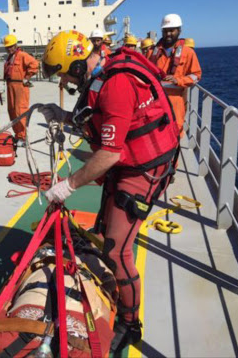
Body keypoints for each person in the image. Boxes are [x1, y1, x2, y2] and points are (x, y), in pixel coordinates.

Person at [39, 30, 180, 351]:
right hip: (125, 162)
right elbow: (98, 122)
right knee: (104, 231)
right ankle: (117, 290)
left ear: (77, 67)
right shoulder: (103, 75)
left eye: (65, 74)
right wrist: (61, 116)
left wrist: (67, 185)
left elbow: (109, 154)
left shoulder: (116, 84)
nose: (67, 82)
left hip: (141, 169)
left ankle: (131, 324)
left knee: (118, 251)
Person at [149, 14, 202, 136]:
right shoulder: (152, 52)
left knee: (174, 134)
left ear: (179, 31)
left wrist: (178, 80)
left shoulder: (188, 53)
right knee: (153, 134)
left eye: (171, 30)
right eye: (165, 31)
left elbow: (196, 75)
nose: (168, 34)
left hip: (176, 101)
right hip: (154, 101)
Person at [3, 34, 39, 146]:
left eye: (11, 46)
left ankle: (24, 137)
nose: (9, 48)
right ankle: (18, 135)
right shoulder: (9, 58)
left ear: (15, 45)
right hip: (11, 86)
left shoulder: (22, 55)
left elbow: (35, 64)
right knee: (12, 111)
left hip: (20, 86)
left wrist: (27, 77)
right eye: (7, 47)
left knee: (20, 111)